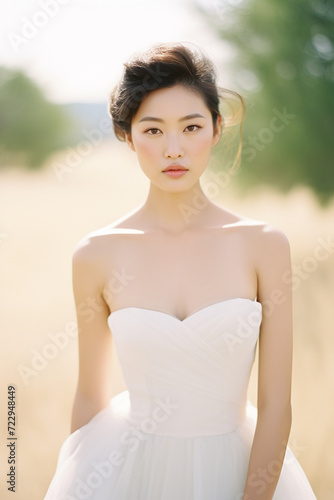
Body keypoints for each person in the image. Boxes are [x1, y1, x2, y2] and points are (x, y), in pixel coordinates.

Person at [44, 42, 317, 499]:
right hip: (126, 470)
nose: (173, 149)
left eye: (191, 127)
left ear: (215, 128)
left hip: (237, 468)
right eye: (152, 130)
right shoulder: (96, 254)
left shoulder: (263, 246)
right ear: (127, 136)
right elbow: (90, 396)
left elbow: (275, 405)